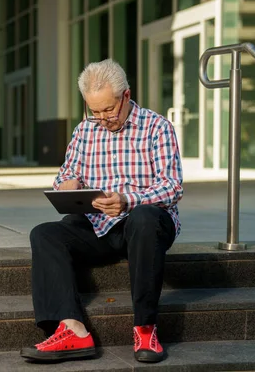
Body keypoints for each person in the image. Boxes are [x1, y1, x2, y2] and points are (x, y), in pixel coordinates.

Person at [20, 59, 183, 364]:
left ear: (126, 96)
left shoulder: (157, 127)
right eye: (94, 111)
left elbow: (173, 187)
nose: (103, 118)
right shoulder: (85, 130)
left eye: (108, 109)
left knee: (145, 217)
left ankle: (146, 328)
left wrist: (128, 200)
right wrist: (67, 184)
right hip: (98, 227)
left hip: (145, 226)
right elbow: (65, 174)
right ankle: (72, 329)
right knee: (44, 234)